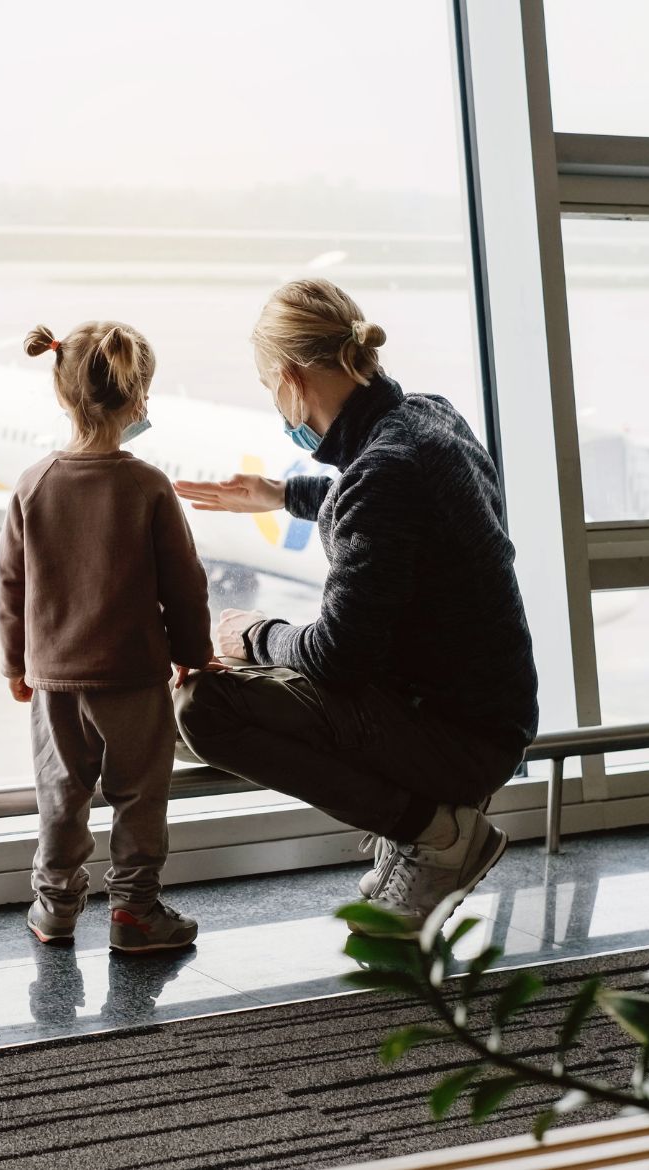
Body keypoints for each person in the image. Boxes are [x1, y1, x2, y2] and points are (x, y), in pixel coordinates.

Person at [173, 279, 538, 935]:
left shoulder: (384, 474)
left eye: (268, 389)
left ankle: (436, 833)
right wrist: (283, 494)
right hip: (492, 719)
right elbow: (392, 504)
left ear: (288, 380)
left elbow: (337, 657)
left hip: (453, 736)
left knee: (203, 707)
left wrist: (253, 634)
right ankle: (427, 823)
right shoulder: (432, 417)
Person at [0, 320, 219, 953]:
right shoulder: (148, 485)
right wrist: (193, 656)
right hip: (134, 676)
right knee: (139, 796)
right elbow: (185, 583)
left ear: (62, 394)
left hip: (55, 679)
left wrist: (15, 665)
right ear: (138, 397)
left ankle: (56, 909)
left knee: (61, 795)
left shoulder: (33, 484)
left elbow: (12, 585)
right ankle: (134, 914)